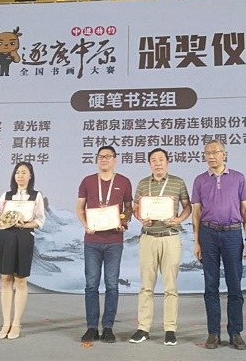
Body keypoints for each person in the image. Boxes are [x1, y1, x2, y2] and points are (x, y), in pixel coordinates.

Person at [191, 140, 246, 350]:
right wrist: (196, 241)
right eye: (207, 153)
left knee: (234, 285)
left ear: (224, 154)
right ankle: (213, 333)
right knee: (211, 285)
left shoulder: (238, 178)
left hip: (233, 234)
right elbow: (196, 213)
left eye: (215, 152)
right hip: (208, 234)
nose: (211, 156)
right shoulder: (200, 180)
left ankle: (235, 332)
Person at [129, 148, 191, 346]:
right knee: (146, 286)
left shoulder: (178, 182)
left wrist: (178, 219)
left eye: (161, 159)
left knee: (170, 286)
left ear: (167, 162)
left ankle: (170, 329)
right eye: (154, 160)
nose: (158, 163)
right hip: (148, 237)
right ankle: (143, 328)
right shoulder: (142, 183)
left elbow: (188, 207)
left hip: (170, 237)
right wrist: (141, 218)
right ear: (149, 164)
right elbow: (135, 208)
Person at [76, 145, 133, 343]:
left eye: (108, 156)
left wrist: (123, 221)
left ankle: (108, 327)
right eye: (101, 156)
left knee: (112, 285)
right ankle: (91, 327)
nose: (104, 159)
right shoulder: (88, 181)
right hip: (92, 241)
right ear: (97, 159)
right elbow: (80, 208)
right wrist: (86, 225)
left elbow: (128, 208)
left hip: (114, 241)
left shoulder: (124, 181)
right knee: (91, 285)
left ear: (115, 160)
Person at [0, 162, 45, 340]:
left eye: (24, 172)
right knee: (5, 279)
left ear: (30, 176)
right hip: (6, 237)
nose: (20, 175)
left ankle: (16, 323)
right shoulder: (6, 196)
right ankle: (6, 323)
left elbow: (40, 220)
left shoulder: (35, 196)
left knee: (20, 280)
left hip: (24, 237)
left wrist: (24, 224)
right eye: (17, 172)